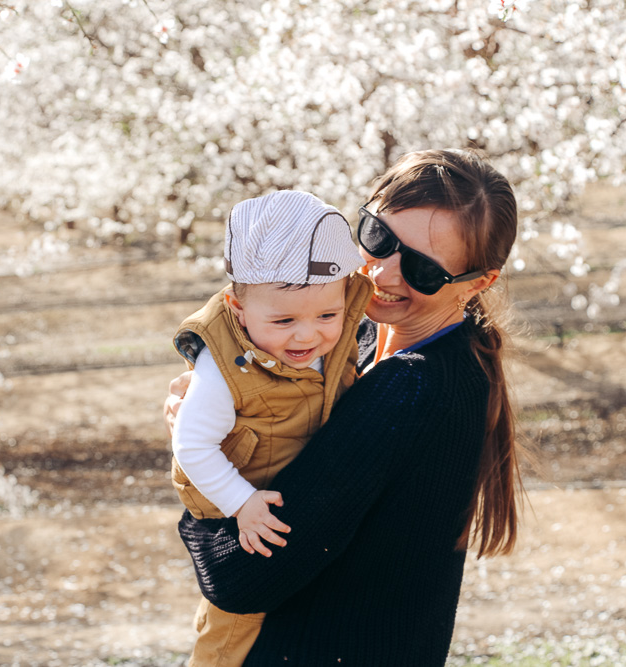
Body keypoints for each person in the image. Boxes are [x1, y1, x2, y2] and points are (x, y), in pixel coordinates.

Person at [165, 149, 527, 666]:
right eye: (378, 237)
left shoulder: (411, 389)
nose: (381, 272)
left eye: (423, 269)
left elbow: (240, 579)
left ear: (478, 283)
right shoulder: (360, 345)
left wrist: (199, 480)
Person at [170, 190, 374, 666]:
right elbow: (191, 443)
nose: (307, 335)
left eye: (327, 314)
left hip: (296, 497)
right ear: (237, 310)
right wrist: (240, 503)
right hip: (240, 509)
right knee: (233, 623)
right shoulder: (223, 371)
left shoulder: (341, 338)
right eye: (283, 320)